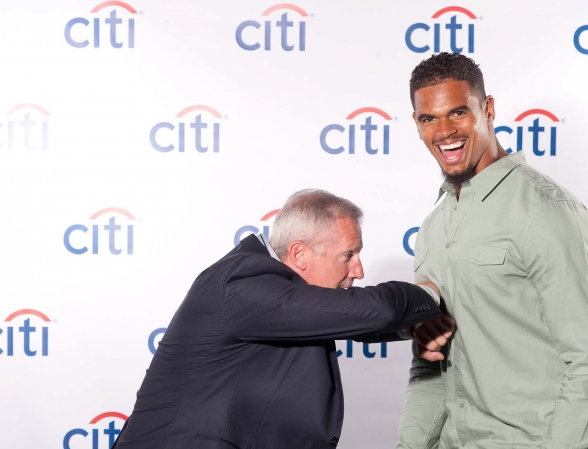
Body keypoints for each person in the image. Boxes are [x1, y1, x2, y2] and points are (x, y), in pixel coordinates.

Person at [397, 52, 588, 449]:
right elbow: (431, 365)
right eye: (429, 118)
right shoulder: (433, 229)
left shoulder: (547, 211)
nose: (444, 131)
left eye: (458, 113)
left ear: (488, 108)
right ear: (417, 124)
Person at [112, 189, 452, 449]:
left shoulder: (279, 296)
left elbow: (356, 322)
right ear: (299, 253)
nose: (358, 270)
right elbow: (376, 310)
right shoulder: (243, 282)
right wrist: (429, 296)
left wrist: (413, 324)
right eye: (348, 255)